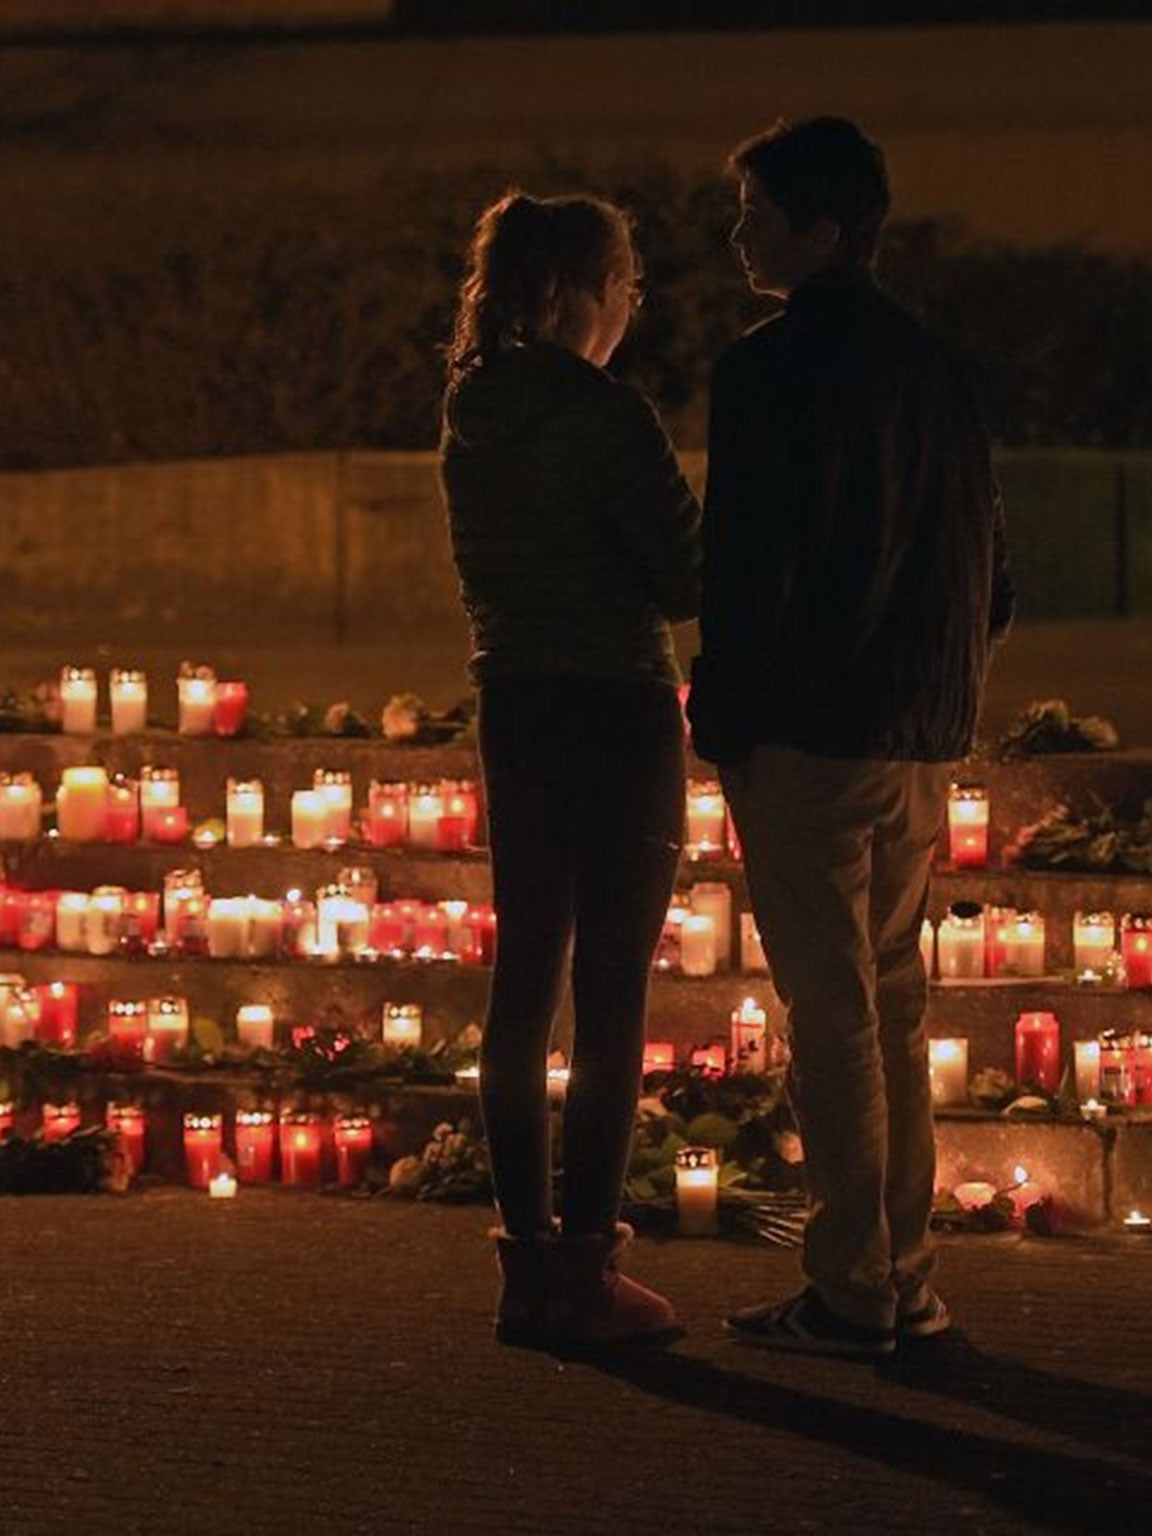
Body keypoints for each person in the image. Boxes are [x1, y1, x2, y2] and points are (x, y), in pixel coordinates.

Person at [687, 118, 1013, 1357]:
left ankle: (850, 1290)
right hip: (920, 733)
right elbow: (994, 567)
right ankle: (901, 1276)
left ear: (821, 233)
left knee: (829, 1019)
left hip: (811, 737)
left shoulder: (769, 370)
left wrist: (724, 722)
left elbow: (749, 567)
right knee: (890, 1007)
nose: (737, 238)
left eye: (757, 218)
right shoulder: (934, 366)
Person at [438, 190, 701, 1350]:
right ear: (583, 291)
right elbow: (684, 577)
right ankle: (587, 1265)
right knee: (609, 993)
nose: (630, 306)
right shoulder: (603, 414)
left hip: (515, 706)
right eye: (627, 283)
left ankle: (521, 1261)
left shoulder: (471, 405)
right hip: (615, 708)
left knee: (521, 981)